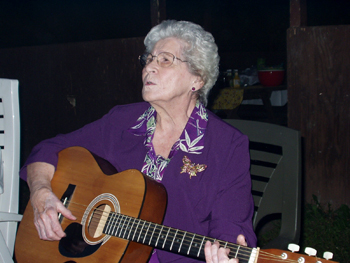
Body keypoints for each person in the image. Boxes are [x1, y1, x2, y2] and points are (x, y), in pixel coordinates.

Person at [20, 20, 257, 262]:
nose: (149, 68)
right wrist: (41, 192)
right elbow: (49, 149)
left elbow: (231, 227)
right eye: (149, 59)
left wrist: (227, 254)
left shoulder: (227, 145)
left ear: (197, 78)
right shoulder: (122, 121)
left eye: (165, 60)